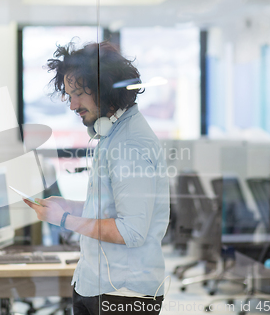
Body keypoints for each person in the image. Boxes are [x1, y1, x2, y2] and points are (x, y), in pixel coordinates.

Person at [23, 41, 170, 315]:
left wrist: (65, 220)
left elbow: (131, 231)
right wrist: (69, 207)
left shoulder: (129, 145)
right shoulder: (113, 135)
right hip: (99, 285)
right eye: (69, 95)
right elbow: (110, 210)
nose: (72, 105)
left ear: (107, 89)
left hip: (122, 294)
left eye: (78, 94)